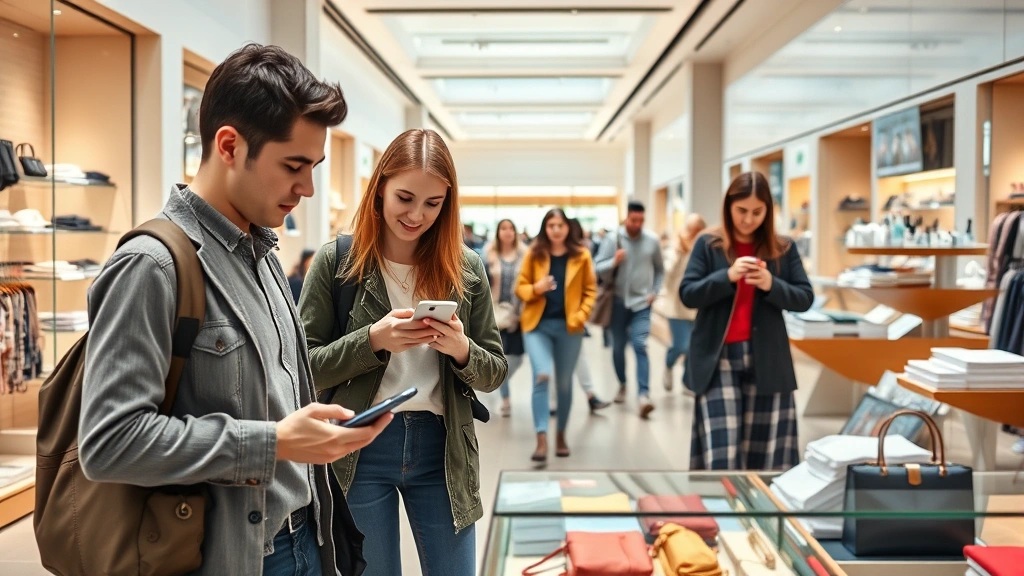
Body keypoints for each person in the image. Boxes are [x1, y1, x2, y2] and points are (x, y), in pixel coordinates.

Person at [78, 43, 387, 576]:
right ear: (229, 145)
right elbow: (109, 442)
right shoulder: (152, 266)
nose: (307, 188)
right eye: (294, 165)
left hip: (307, 536)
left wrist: (315, 429)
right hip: (235, 553)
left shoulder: (263, 252)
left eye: (313, 166)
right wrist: (273, 442)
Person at [299, 128, 506, 576]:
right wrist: (372, 341)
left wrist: (462, 350)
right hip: (361, 444)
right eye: (405, 198)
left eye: (433, 204)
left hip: (443, 448)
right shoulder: (338, 261)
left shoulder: (465, 267)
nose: (417, 215)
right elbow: (303, 366)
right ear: (380, 189)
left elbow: (494, 372)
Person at [680, 171, 813, 470]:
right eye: (741, 210)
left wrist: (771, 283)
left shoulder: (784, 248)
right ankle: (723, 512)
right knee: (721, 454)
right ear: (728, 206)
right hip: (718, 360)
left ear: (768, 211)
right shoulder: (708, 244)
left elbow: (804, 298)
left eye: (757, 212)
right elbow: (688, 294)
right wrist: (726, 277)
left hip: (768, 359)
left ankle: (759, 514)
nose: (748, 219)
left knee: (766, 457)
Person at [516, 208, 597, 461]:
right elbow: (520, 288)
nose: (556, 229)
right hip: (537, 326)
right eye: (551, 225)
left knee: (564, 383)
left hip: (569, 327)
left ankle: (560, 433)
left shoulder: (581, 255)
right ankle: (541, 438)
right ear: (545, 228)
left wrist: (581, 316)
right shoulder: (534, 253)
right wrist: (536, 288)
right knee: (542, 375)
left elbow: (590, 290)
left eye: (560, 225)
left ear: (568, 228)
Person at [594, 201, 664, 418]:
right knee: (618, 347)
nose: (638, 224)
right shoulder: (612, 239)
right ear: (626, 218)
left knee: (641, 345)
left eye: (641, 220)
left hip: (642, 303)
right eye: (634, 220)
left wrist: (655, 291)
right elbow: (597, 267)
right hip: (616, 303)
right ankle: (623, 384)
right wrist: (613, 261)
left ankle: (644, 395)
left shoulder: (652, 241)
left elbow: (660, 270)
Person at [657, 213, 707, 391]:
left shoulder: (705, 249)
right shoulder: (675, 249)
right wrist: (679, 253)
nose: (692, 235)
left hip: (698, 307)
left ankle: (688, 382)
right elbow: (667, 273)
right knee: (682, 345)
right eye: (690, 230)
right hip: (676, 307)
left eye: (697, 231)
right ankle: (669, 365)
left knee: (693, 347)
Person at [485, 218, 526, 417]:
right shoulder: (489, 255)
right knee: (501, 357)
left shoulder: (525, 255)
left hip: (519, 314)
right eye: (503, 228)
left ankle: (501, 381)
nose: (508, 232)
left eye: (511, 228)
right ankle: (506, 398)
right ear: (498, 232)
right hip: (496, 313)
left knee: (517, 358)